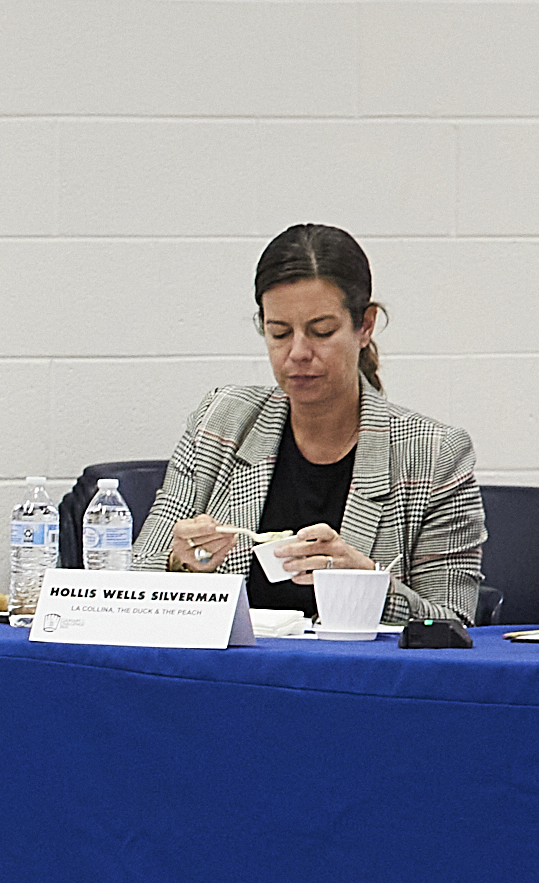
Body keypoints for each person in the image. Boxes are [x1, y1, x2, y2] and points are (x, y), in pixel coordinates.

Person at [136, 223, 484, 623]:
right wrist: (182, 565)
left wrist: (366, 584)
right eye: (279, 333)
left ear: (365, 326)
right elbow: (135, 577)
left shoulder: (435, 454)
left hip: (355, 681)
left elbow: (454, 625)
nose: (298, 353)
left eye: (322, 332)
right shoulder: (221, 421)